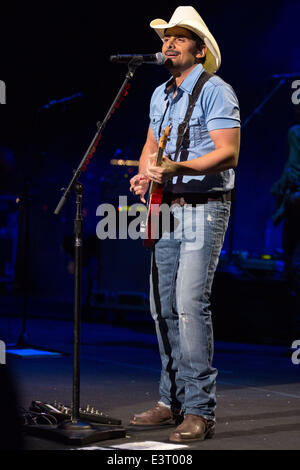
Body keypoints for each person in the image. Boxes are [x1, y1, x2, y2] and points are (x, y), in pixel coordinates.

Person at [129, 6, 240, 443]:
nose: (168, 44)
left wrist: (177, 168)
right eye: (165, 37)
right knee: (161, 306)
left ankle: (199, 410)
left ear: (199, 47)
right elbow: (151, 144)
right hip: (165, 207)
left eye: (179, 37)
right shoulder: (160, 94)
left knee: (190, 307)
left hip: (204, 206)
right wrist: (145, 172)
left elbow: (228, 152)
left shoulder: (217, 91)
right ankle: (169, 400)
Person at [271, 103, 300, 333]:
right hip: (293, 200)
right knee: (290, 260)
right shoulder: (295, 132)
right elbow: (291, 167)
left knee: (294, 262)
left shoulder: (295, 132)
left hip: (295, 200)